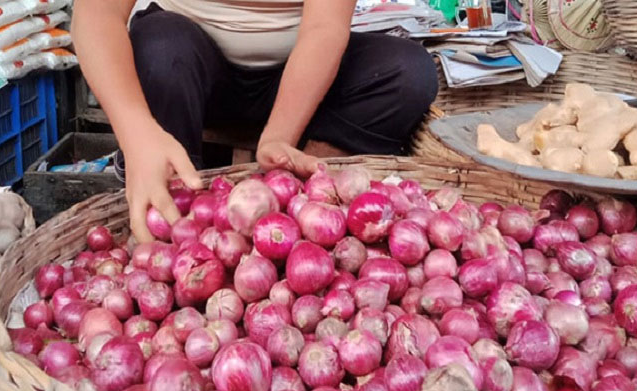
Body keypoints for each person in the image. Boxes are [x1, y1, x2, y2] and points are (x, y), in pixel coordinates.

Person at [71, 0, 438, 242]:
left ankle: (304, 206)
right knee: (161, 50)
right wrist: (135, 131)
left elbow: (324, 29)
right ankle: (171, 212)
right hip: (189, 69)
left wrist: (280, 135)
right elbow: (96, 14)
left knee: (408, 74)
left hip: (298, 81)